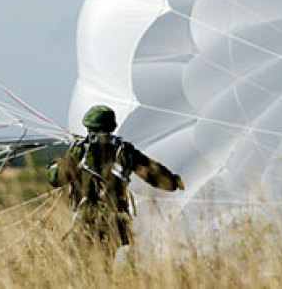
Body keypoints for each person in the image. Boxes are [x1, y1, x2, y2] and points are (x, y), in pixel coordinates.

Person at [48, 105, 184, 250]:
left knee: (79, 262)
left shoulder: (80, 150)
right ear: (113, 126)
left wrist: (58, 164)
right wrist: (175, 181)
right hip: (116, 219)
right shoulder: (125, 151)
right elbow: (155, 174)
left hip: (87, 217)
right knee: (105, 264)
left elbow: (57, 180)